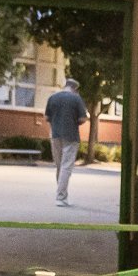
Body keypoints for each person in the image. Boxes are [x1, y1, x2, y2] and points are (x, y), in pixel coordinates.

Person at [45, 77, 86, 207]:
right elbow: (83, 118)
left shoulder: (53, 97)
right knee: (66, 167)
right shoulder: (76, 99)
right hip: (71, 136)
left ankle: (61, 194)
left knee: (59, 166)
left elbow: (46, 117)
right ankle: (61, 197)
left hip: (55, 135)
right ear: (75, 88)